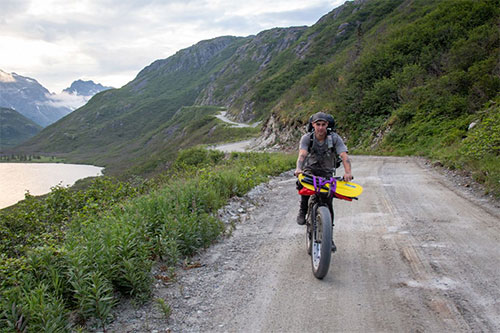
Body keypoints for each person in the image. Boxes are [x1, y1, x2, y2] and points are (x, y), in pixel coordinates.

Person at [294, 111, 353, 251]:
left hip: (327, 172)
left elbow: (344, 156)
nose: (320, 128)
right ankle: (303, 209)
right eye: (318, 124)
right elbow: (302, 155)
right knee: (303, 185)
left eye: (323, 124)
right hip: (310, 171)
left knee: (328, 202)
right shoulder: (307, 138)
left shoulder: (335, 138)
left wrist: (348, 173)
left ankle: (329, 237)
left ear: (328, 125)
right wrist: (298, 169)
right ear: (313, 125)